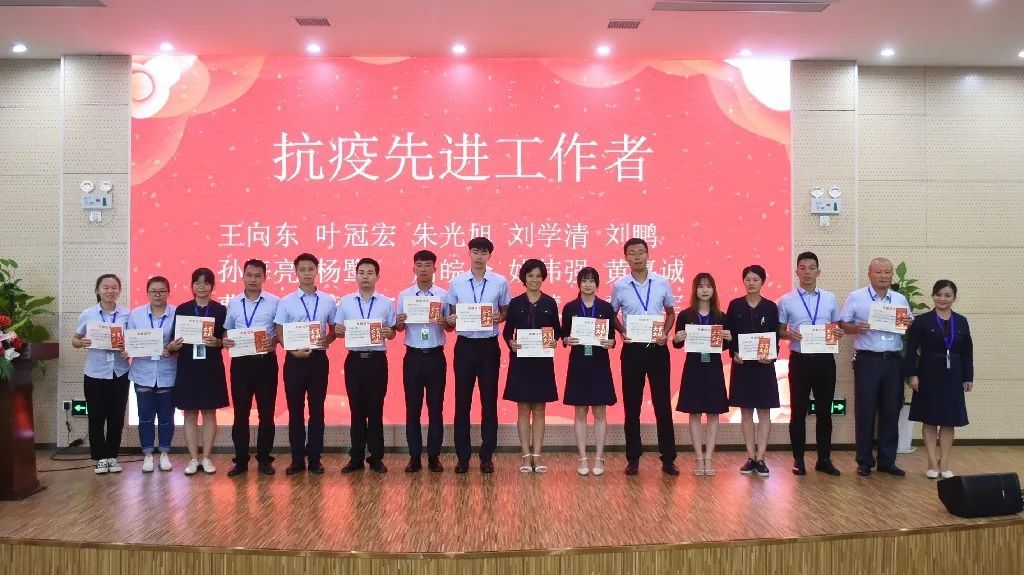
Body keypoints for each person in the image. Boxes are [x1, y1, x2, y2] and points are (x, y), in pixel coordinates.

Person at [840, 257, 913, 477]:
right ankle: (864, 461)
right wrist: (856, 328)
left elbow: (908, 325)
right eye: (879, 272)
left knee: (891, 410)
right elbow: (843, 324)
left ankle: (887, 461)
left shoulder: (899, 299)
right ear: (869, 274)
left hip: (893, 361)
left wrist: (908, 324)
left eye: (887, 272)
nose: (883, 276)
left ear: (892, 275)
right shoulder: (856, 297)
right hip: (867, 360)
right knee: (865, 411)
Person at [611, 237, 678, 476]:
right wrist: (622, 331)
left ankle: (668, 458)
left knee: (662, 405)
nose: (637, 256)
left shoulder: (661, 282)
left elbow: (670, 313)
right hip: (632, 350)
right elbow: (612, 315)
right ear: (625, 257)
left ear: (648, 254)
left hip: (657, 349)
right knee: (632, 405)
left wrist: (665, 333)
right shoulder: (620, 285)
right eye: (632, 253)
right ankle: (633, 457)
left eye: (641, 252)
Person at [444, 237, 511, 474]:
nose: (479, 256)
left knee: (488, 402)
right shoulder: (457, 282)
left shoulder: (500, 281)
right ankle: (462, 457)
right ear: (469, 253)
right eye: (475, 251)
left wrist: (500, 318)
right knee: (462, 402)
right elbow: (451, 318)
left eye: (484, 252)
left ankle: (486, 456)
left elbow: (505, 311)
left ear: (489, 256)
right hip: (464, 346)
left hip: (489, 347)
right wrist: (451, 320)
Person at [777, 252, 843, 477]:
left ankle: (824, 459)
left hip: (825, 360)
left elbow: (837, 325)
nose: (807, 272)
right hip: (800, 360)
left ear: (818, 272)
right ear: (797, 271)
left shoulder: (830, 298)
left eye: (811, 268)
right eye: (803, 268)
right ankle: (798, 460)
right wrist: (788, 334)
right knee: (798, 412)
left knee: (825, 411)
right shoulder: (786, 300)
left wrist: (838, 332)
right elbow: (779, 330)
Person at [273, 253, 338, 475]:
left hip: (318, 360)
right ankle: (297, 459)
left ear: (317, 271)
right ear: (296, 272)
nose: (307, 273)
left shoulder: (328, 300)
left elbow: (334, 329)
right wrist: (291, 350)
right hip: (294, 360)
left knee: (317, 411)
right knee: (295, 411)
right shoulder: (286, 301)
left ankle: (315, 459)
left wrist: (327, 341)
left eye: (311, 269)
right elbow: (279, 331)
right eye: (302, 270)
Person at [904, 280, 973, 479]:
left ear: (954, 298)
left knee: (949, 420)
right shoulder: (922, 321)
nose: (942, 299)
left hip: (954, 375)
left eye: (947, 295)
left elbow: (967, 352)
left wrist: (968, 376)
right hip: (928, 373)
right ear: (933, 296)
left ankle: (945, 464)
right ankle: (932, 463)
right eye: (938, 294)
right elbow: (911, 350)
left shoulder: (961, 321)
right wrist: (912, 374)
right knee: (930, 419)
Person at [335, 258, 397, 474]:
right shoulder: (345, 302)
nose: (365, 276)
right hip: (354, 361)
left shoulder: (386, 303)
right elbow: (337, 329)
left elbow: (392, 331)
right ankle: (356, 457)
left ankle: (376, 457)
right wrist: (338, 331)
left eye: (370, 273)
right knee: (356, 410)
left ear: (377, 277)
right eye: (361, 272)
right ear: (356, 275)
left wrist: (390, 332)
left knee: (375, 409)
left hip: (376, 361)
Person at [166, 268, 228, 475]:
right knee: (190, 413)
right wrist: (172, 346)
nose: (201, 287)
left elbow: (226, 340)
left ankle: (207, 458)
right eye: (197, 283)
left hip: (211, 367)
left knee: (210, 413)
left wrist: (218, 342)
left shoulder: (220, 310)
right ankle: (193, 459)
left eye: (206, 283)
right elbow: (172, 340)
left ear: (212, 286)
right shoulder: (182, 309)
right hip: (188, 367)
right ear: (192, 285)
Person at [394, 250, 452, 473]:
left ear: (434, 269)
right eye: (420, 265)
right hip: (413, 357)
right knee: (413, 408)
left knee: (436, 408)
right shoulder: (404, 295)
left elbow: (450, 328)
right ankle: (414, 456)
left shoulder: (444, 295)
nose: (424, 269)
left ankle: (434, 456)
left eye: (428, 265)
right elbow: (399, 328)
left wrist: (444, 322)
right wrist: (400, 322)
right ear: (414, 268)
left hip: (436, 356)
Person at [222, 259, 280, 476]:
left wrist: (274, 341)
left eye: (257, 276)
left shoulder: (275, 302)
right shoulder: (234, 303)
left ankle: (264, 460)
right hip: (241, 364)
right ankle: (241, 461)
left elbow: (279, 333)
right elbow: (227, 330)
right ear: (243, 276)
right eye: (249, 275)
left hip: (266, 363)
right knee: (240, 414)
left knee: (266, 413)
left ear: (264, 278)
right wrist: (225, 340)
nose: (253, 279)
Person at [503, 259, 561, 473]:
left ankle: (537, 455)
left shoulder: (550, 303)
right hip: (521, 362)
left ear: (543, 278)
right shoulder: (516, 303)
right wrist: (510, 342)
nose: (534, 279)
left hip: (542, 363)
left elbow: (557, 330)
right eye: (530, 276)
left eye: (538, 276)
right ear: (524, 278)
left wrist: (554, 341)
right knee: (523, 408)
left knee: (539, 409)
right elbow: (507, 332)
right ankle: (525, 456)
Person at [672, 272, 732, 477]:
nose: (705, 290)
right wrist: (677, 338)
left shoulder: (721, 316)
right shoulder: (685, 316)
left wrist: (729, 338)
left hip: (714, 368)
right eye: (701, 286)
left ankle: (709, 457)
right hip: (694, 368)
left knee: (714, 413)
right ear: (694, 290)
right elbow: (677, 344)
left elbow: (725, 346)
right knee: (695, 412)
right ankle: (698, 457)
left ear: (713, 290)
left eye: (708, 286)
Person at [71, 274, 130, 475]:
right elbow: (75, 340)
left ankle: (112, 456)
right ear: (98, 290)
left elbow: (132, 340)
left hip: (120, 372)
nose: (110, 291)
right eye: (105, 287)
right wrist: (82, 342)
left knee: (116, 417)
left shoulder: (127, 314)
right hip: (95, 373)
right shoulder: (88, 314)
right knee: (96, 417)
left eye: (114, 287)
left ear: (119, 291)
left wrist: (128, 347)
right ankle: (99, 458)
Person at [561, 267, 617, 477]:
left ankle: (599, 457)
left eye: (592, 281)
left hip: (599, 363)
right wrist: (566, 339)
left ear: (597, 284)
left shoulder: (606, 308)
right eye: (584, 280)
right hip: (578, 364)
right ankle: (583, 457)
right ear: (578, 283)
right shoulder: (570, 307)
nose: (588, 284)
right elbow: (563, 334)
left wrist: (611, 342)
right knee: (580, 412)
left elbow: (611, 337)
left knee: (600, 412)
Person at [726, 265, 780, 477]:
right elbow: (729, 335)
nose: (751, 283)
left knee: (764, 412)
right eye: (748, 279)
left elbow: (775, 336)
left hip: (764, 367)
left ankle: (761, 458)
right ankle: (750, 457)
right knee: (746, 412)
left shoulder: (771, 307)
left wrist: (771, 357)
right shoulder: (735, 305)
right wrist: (733, 353)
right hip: (742, 367)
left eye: (755, 279)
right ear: (743, 281)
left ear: (762, 282)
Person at [125, 276, 177, 473]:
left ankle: (164, 453)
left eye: (162, 291)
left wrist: (172, 349)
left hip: (167, 372)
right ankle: (147, 454)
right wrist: (128, 349)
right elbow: (129, 340)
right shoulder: (136, 314)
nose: (157, 294)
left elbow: (181, 341)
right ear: (147, 293)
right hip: (143, 372)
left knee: (166, 417)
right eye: (153, 291)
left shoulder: (176, 313)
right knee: (145, 416)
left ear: (168, 292)